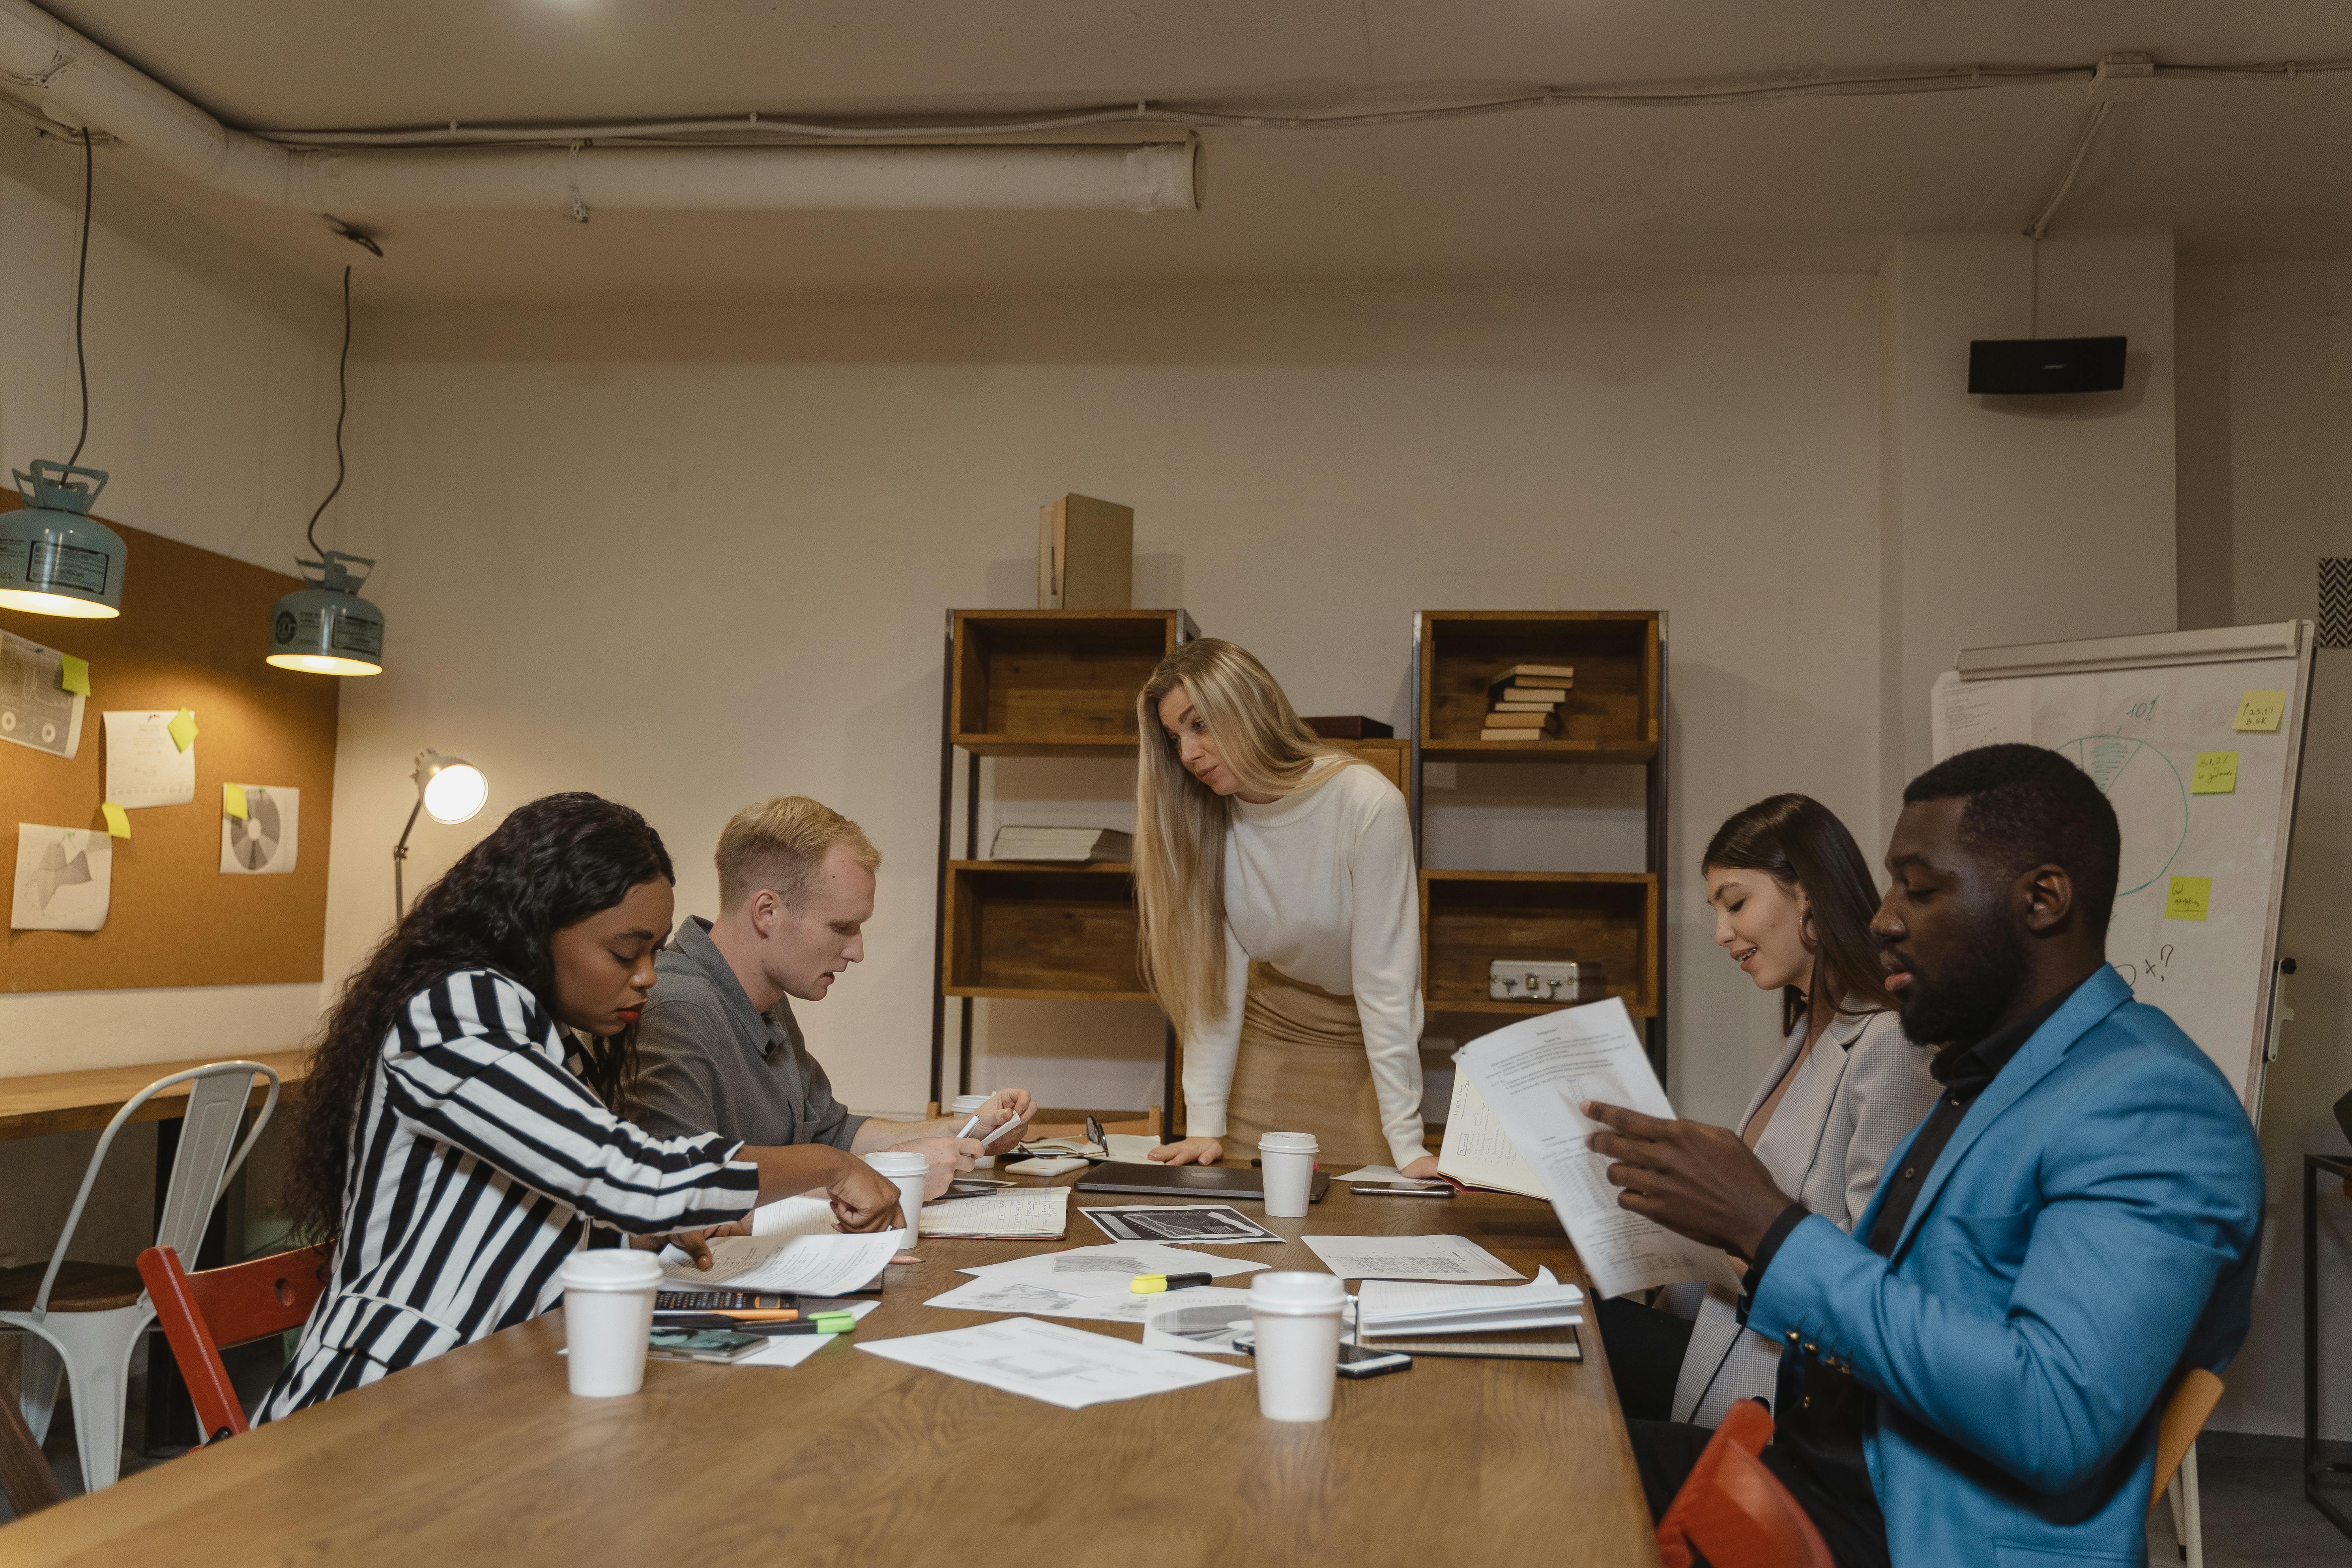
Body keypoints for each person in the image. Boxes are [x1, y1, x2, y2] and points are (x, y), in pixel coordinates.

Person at [1585, 745, 2266, 1568]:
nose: (1881, 918)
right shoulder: (1994, 1072)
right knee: (1530, 1447)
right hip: (1814, 1476)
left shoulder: (2151, 1101)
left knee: (1530, 1488)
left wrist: (1767, 1227)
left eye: (1920, 886)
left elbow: (2053, 1414)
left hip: (1910, 1532)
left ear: (2042, 899)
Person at [258, 794, 904, 1421]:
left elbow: (524, 1209)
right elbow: (631, 1175)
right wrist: (831, 1164)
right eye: (626, 952)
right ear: (536, 929)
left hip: (493, 1379)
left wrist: (640, 1232)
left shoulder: (548, 1033)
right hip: (387, 1391)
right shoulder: (458, 1010)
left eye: (653, 951)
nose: (649, 974)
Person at [1596, 795, 1940, 1428]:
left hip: (1783, 1385)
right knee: (1558, 1324)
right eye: (1717, 911)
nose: (1723, 933)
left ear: (1806, 893)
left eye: (1736, 902)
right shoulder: (1808, 1031)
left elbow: (1872, 1272)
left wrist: (1714, 1232)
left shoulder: (1888, 1041)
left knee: (1564, 1363)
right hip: (1719, 1339)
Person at [629, 795, 1034, 1197]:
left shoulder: (767, 992)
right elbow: (688, 1189)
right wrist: (886, 1173)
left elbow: (832, 1132)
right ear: (767, 911)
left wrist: (962, 1128)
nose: (857, 951)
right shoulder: (676, 1008)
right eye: (842, 927)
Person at [1132, 639, 1435, 1176]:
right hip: (1266, 1025)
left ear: (1250, 706)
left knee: (1371, 1216)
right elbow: (1213, 987)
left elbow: (1386, 984)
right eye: (1174, 737)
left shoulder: (1366, 802)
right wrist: (1203, 1124)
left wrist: (1408, 1143)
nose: (1188, 754)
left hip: (1361, 1030)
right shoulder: (1206, 822)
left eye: (1199, 725)